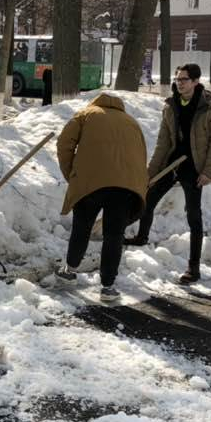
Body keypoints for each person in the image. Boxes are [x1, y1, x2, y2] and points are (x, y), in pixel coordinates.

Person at [126, 62, 211, 285]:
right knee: (148, 201)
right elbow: (163, 142)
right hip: (172, 163)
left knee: (193, 215)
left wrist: (208, 171)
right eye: (177, 79)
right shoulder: (170, 106)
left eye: (184, 80)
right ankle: (142, 237)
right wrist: (150, 173)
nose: (179, 83)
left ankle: (193, 267)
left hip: (194, 167)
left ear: (196, 81)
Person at [55, 92, 148, 302]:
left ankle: (69, 270)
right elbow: (142, 156)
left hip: (90, 183)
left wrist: (72, 173)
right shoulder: (132, 122)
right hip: (125, 187)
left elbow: (64, 144)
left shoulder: (85, 114)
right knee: (114, 235)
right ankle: (108, 287)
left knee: (82, 226)